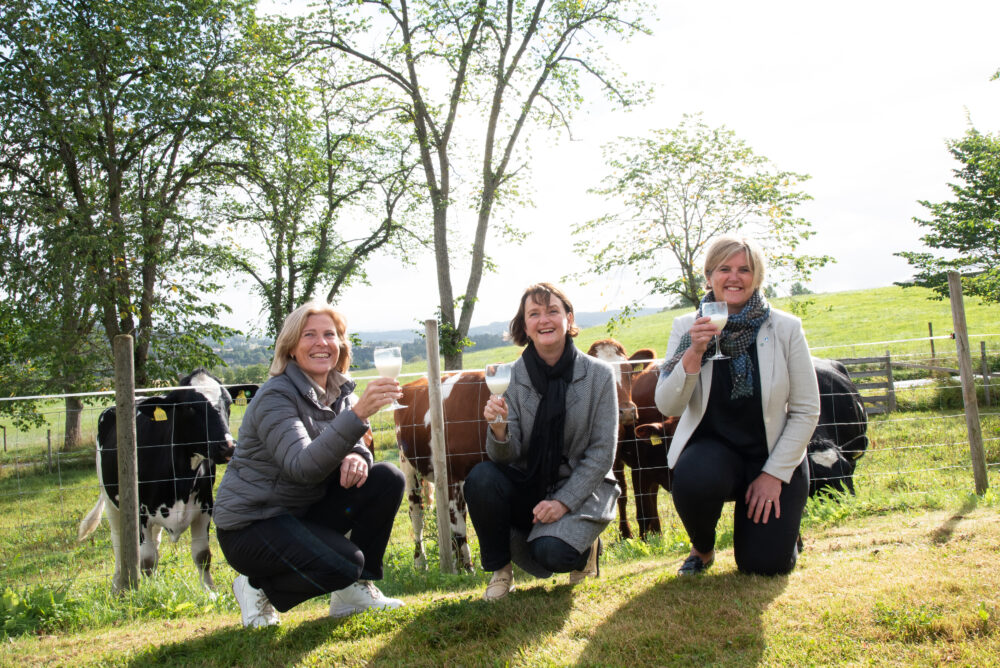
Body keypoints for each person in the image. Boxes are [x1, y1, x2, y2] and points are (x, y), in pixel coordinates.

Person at [214, 301, 407, 627]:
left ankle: (354, 594)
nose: (322, 343)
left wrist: (358, 454)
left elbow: (349, 438)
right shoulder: (275, 397)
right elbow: (302, 466)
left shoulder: (340, 389)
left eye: (330, 334)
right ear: (290, 348)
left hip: (301, 512)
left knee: (386, 477)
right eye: (310, 335)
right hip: (253, 525)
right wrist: (358, 415)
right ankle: (255, 586)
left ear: (341, 344)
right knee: (345, 564)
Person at [655, 236, 820, 577]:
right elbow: (667, 404)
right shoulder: (687, 328)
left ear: (757, 277)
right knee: (692, 477)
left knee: (764, 566)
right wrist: (694, 353)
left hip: (772, 455)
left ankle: (785, 531)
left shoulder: (786, 328)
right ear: (709, 276)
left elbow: (807, 410)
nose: (734, 277)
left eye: (745, 269)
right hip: (713, 455)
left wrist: (774, 474)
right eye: (724, 269)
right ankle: (702, 549)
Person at [464, 283, 620, 600]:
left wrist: (563, 501)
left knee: (551, 553)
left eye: (552, 310)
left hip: (580, 487)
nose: (544, 319)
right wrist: (499, 429)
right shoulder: (510, 378)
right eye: (534, 313)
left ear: (568, 318)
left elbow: (602, 453)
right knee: (481, 478)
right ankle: (500, 572)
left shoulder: (599, 376)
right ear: (524, 325)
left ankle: (583, 548)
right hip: (530, 485)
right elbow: (506, 457)